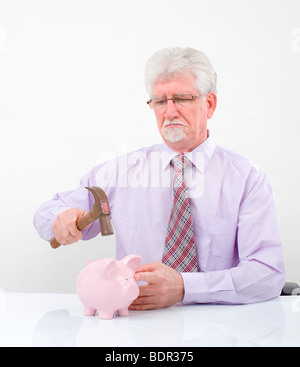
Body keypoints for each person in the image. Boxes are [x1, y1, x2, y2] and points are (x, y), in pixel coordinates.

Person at [34, 47, 286, 310]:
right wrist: (59, 219)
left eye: (181, 98)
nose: (169, 112)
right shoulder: (120, 173)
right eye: (159, 101)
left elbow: (267, 274)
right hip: (138, 328)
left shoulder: (247, 178)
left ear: (209, 104)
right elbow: (45, 213)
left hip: (220, 328)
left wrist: (185, 287)